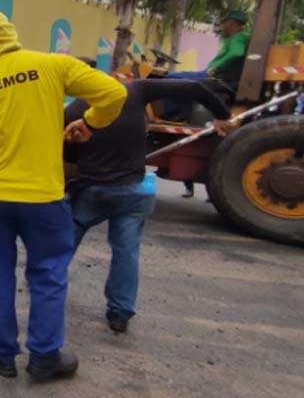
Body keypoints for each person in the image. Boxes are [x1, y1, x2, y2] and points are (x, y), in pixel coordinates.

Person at [0, 10, 127, 381]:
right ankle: (45, 357)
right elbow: (114, 93)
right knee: (48, 273)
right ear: (9, 35)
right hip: (43, 198)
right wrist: (91, 122)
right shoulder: (51, 66)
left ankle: (1, 353)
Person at [64, 78, 234, 334]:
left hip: (93, 190)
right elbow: (195, 88)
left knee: (65, 240)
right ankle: (120, 312)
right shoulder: (135, 89)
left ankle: (46, 285)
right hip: (133, 191)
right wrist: (222, 115)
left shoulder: (75, 110)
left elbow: (69, 156)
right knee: (126, 251)